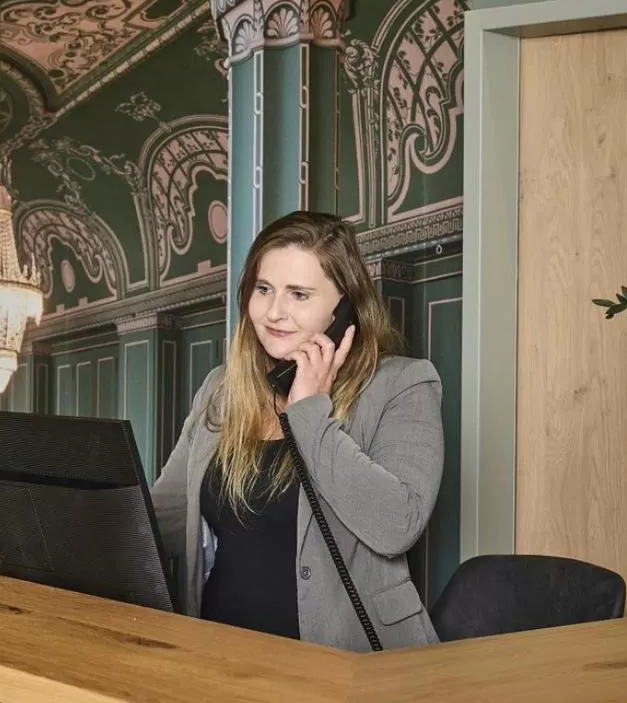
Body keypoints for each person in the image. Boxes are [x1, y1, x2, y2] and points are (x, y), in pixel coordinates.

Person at [151, 210, 443, 651]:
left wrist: (309, 412)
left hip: (347, 663)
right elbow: (167, 521)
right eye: (263, 289)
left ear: (344, 309)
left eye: (299, 295)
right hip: (220, 653)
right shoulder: (222, 390)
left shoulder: (402, 384)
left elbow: (395, 525)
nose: (273, 312)